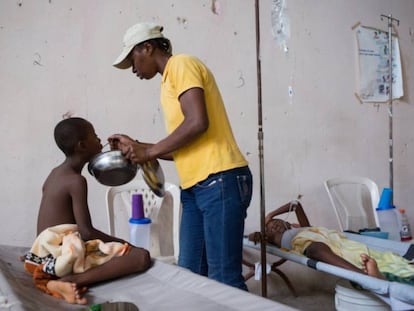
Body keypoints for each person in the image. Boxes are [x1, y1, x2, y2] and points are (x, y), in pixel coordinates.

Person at [109, 22, 253, 290]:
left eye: (133, 61)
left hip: (220, 181)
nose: (134, 69)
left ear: (148, 48)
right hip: (196, 188)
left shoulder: (181, 65)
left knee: (224, 279)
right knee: (190, 275)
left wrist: (149, 151)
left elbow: (198, 122)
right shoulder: (167, 83)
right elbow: (183, 147)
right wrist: (138, 147)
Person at [24, 117, 151, 305]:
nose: (100, 141)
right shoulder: (76, 181)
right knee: (141, 257)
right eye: (96, 137)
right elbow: (86, 232)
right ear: (82, 145)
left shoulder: (54, 173)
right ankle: (70, 281)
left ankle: (56, 276)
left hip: (43, 253)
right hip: (61, 255)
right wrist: (125, 244)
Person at [249, 201, 414, 285]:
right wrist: (262, 232)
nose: (273, 227)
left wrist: (270, 214)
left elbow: (296, 204)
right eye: (269, 228)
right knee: (315, 249)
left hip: (333, 242)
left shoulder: (305, 228)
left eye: (275, 222)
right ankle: (364, 276)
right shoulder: (274, 238)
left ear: (287, 223)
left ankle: (370, 272)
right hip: (309, 245)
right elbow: (255, 236)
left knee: (357, 250)